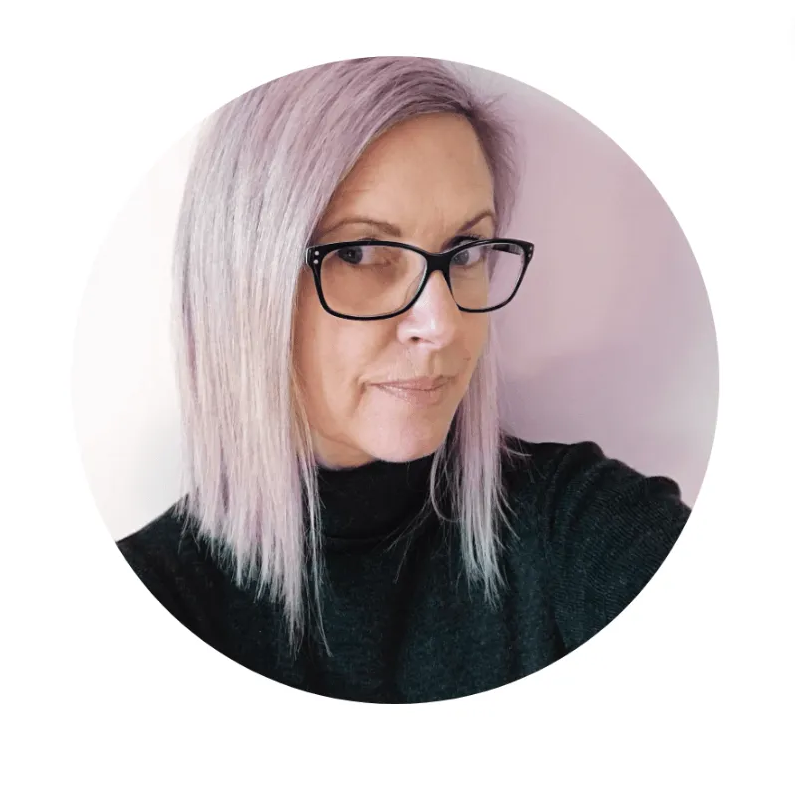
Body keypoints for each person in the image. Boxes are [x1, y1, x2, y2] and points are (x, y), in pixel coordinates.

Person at [117, 56, 690, 703]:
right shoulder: (151, 597)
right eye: (359, 252)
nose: (441, 325)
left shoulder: (577, 524)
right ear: (245, 283)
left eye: (466, 251)